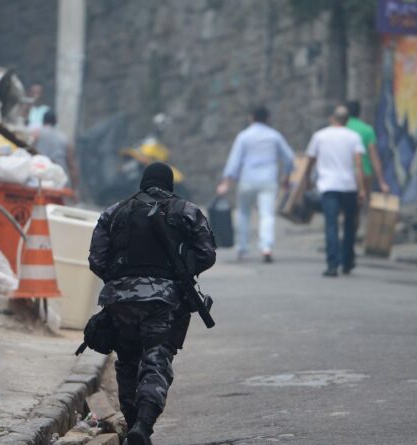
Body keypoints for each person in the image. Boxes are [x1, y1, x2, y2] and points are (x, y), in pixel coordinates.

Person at [88, 162, 216, 445]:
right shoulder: (187, 211)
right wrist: (180, 271)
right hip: (164, 300)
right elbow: (207, 255)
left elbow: (96, 260)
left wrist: (122, 280)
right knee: (156, 361)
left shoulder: (114, 212)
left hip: (119, 302)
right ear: (170, 184)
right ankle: (143, 427)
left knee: (127, 362)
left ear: (142, 183)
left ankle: (133, 424)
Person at [216, 106, 294, 263]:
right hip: (268, 179)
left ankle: (242, 247)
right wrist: (286, 176)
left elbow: (234, 161)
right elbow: (289, 158)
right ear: (268, 119)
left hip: (247, 179)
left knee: (244, 213)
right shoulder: (274, 136)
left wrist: (226, 182)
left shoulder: (244, 136)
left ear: (251, 118)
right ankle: (266, 247)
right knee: (266, 214)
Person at [304, 105, 366, 277]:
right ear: (347, 120)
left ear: (332, 118)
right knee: (349, 225)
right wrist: (361, 189)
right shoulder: (354, 137)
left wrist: (307, 179)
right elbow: (358, 165)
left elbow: (309, 161)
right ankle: (347, 261)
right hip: (348, 186)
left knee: (331, 224)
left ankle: (332, 264)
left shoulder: (320, 136)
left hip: (328, 186)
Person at [346, 101, 390, 195]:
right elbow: (373, 156)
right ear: (359, 112)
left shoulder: (342, 129)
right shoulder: (367, 129)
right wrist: (381, 181)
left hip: (345, 173)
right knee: (363, 203)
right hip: (365, 173)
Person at [32, 110, 79, 189]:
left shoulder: (36, 133)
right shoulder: (64, 139)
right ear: (55, 122)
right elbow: (71, 164)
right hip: (58, 179)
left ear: (43, 121)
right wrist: (74, 188)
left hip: (38, 177)